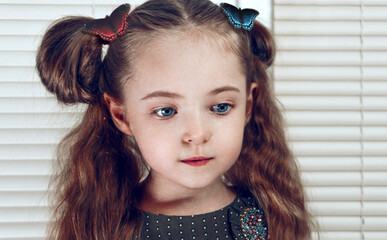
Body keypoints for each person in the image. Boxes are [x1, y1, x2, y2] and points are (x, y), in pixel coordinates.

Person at [36, 1, 313, 239]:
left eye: (220, 106)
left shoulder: (272, 217)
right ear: (122, 115)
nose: (197, 134)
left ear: (247, 106)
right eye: (166, 111)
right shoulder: (104, 228)